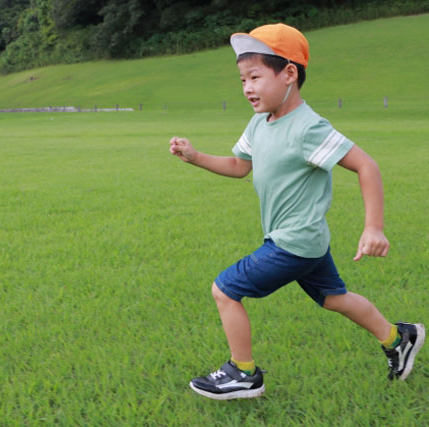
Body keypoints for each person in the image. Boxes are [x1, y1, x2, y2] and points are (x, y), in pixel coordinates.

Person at [169, 23, 424, 400]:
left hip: (295, 242)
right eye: (243, 80)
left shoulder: (309, 128)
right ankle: (398, 337)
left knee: (225, 289)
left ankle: (243, 372)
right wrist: (194, 156)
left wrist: (374, 227)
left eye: (255, 77)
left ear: (289, 73)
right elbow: (240, 166)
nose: (247, 88)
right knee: (334, 299)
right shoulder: (260, 123)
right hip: (306, 241)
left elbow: (366, 166)